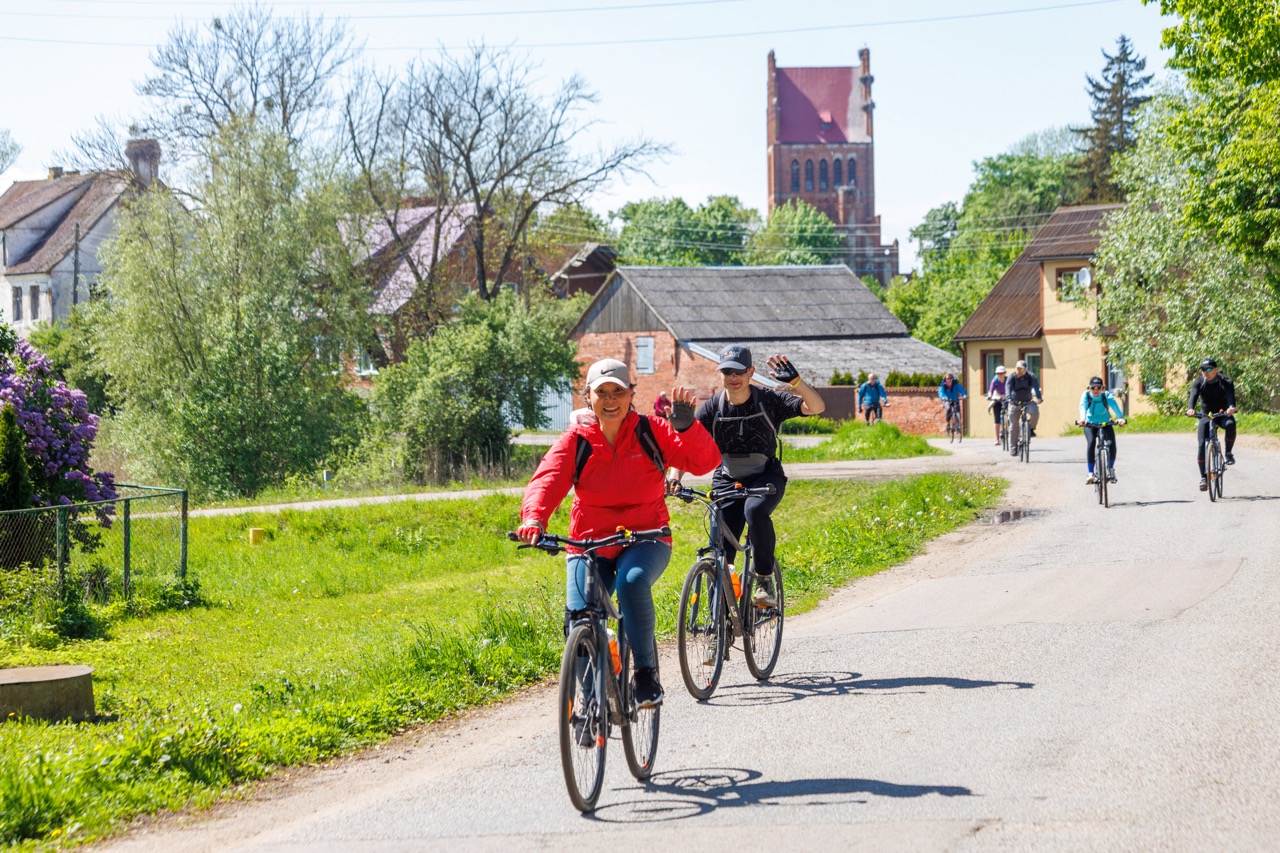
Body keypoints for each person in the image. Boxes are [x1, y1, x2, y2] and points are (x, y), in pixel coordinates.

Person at [517, 358, 720, 709]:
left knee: (631, 582)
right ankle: (591, 702)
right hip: (589, 541)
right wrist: (534, 519)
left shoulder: (652, 430)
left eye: (618, 391)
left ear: (631, 395)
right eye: (602, 393)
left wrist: (687, 429)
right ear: (588, 397)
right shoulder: (577, 440)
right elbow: (547, 480)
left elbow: (703, 463)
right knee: (579, 616)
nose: (610, 399)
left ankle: (645, 675)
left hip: (647, 536)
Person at [666, 344, 825, 608]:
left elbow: (816, 407)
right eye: (727, 371)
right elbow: (686, 447)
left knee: (754, 511)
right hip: (727, 478)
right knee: (721, 552)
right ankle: (718, 626)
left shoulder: (769, 400)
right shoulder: (712, 408)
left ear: (751, 371)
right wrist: (675, 478)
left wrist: (797, 383)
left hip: (765, 476)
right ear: (721, 374)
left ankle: (763, 579)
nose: (733, 377)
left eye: (739, 371)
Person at [1185, 358, 1237, 491]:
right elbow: (1193, 396)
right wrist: (1190, 408)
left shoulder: (1225, 381)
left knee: (1231, 424)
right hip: (1205, 415)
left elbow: (1231, 397)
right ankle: (1204, 477)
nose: (1205, 372)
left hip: (1223, 414)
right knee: (1202, 444)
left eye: (1208, 369)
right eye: (1202, 369)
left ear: (1215, 370)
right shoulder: (1199, 382)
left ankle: (1228, 453)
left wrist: (1231, 407)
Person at [1077, 376, 1126, 484]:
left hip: (1105, 422)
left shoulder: (1106, 395)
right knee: (1091, 443)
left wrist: (1120, 418)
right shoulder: (1086, 395)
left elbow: (1114, 406)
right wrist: (1083, 419)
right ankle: (1090, 473)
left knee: (1111, 444)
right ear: (1089, 388)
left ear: (1102, 388)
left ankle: (1111, 469)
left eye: (1098, 388)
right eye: (1093, 388)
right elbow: (1083, 407)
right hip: (1090, 423)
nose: (1096, 390)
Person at [1005, 360, 1043, 455]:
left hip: (1027, 401)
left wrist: (1038, 397)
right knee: (1014, 425)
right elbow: (1008, 388)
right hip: (1014, 402)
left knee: (1035, 412)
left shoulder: (1031, 376)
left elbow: (1036, 387)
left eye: (1021, 369)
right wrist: (1009, 399)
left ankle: (1030, 428)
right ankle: (1013, 448)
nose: (1019, 371)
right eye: (1017, 369)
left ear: (1025, 370)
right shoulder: (1012, 377)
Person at [987, 365, 1008, 445]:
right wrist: (989, 396)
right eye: (998, 373)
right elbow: (990, 390)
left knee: (1011, 414)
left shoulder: (1008, 380)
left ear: (1004, 373)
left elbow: (1012, 389)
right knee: (997, 420)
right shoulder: (995, 380)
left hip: (1006, 396)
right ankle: (997, 439)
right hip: (997, 396)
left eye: (1001, 373)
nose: (1000, 375)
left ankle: (1009, 427)